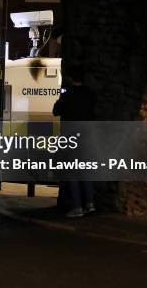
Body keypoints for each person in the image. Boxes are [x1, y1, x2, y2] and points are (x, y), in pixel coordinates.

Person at [53, 65, 96, 218]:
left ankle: (77, 207)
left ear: (71, 79)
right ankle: (90, 204)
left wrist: (62, 96)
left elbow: (55, 111)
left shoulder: (68, 95)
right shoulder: (90, 95)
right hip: (87, 138)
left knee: (72, 173)